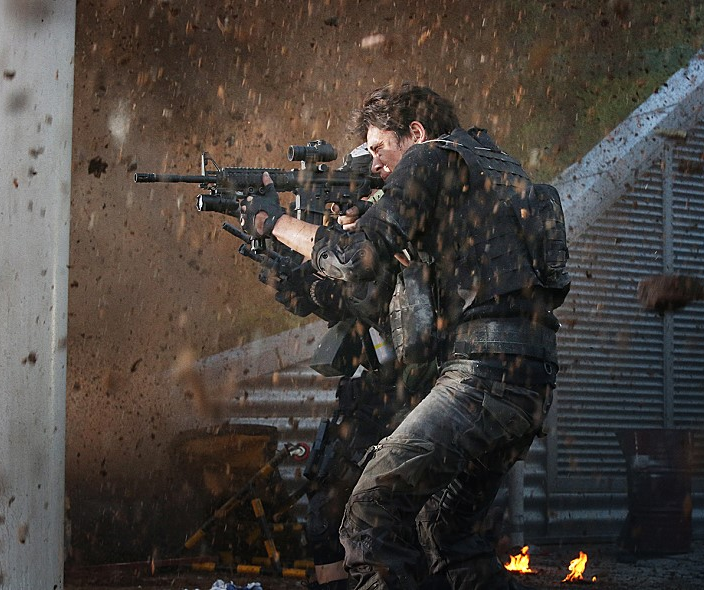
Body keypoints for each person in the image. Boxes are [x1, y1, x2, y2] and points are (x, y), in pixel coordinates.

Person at [242, 83, 569, 590]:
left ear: (415, 132)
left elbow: (354, 260)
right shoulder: (496, 165)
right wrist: (369, 218)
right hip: (531, 380)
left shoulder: (429, 156)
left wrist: (273, 222)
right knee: (448, 534)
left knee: (370, 510)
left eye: (379, 148)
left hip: (480, 375)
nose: (374, 164)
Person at [263, 147, 441, 590]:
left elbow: (374, 294)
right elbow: (354, 310)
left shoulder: (408, 229)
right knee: (328, 520)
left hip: (412, 398)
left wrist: (314, 277)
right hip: (379, 394)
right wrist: (298, 282)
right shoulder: (371, 235)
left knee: (389, 524)